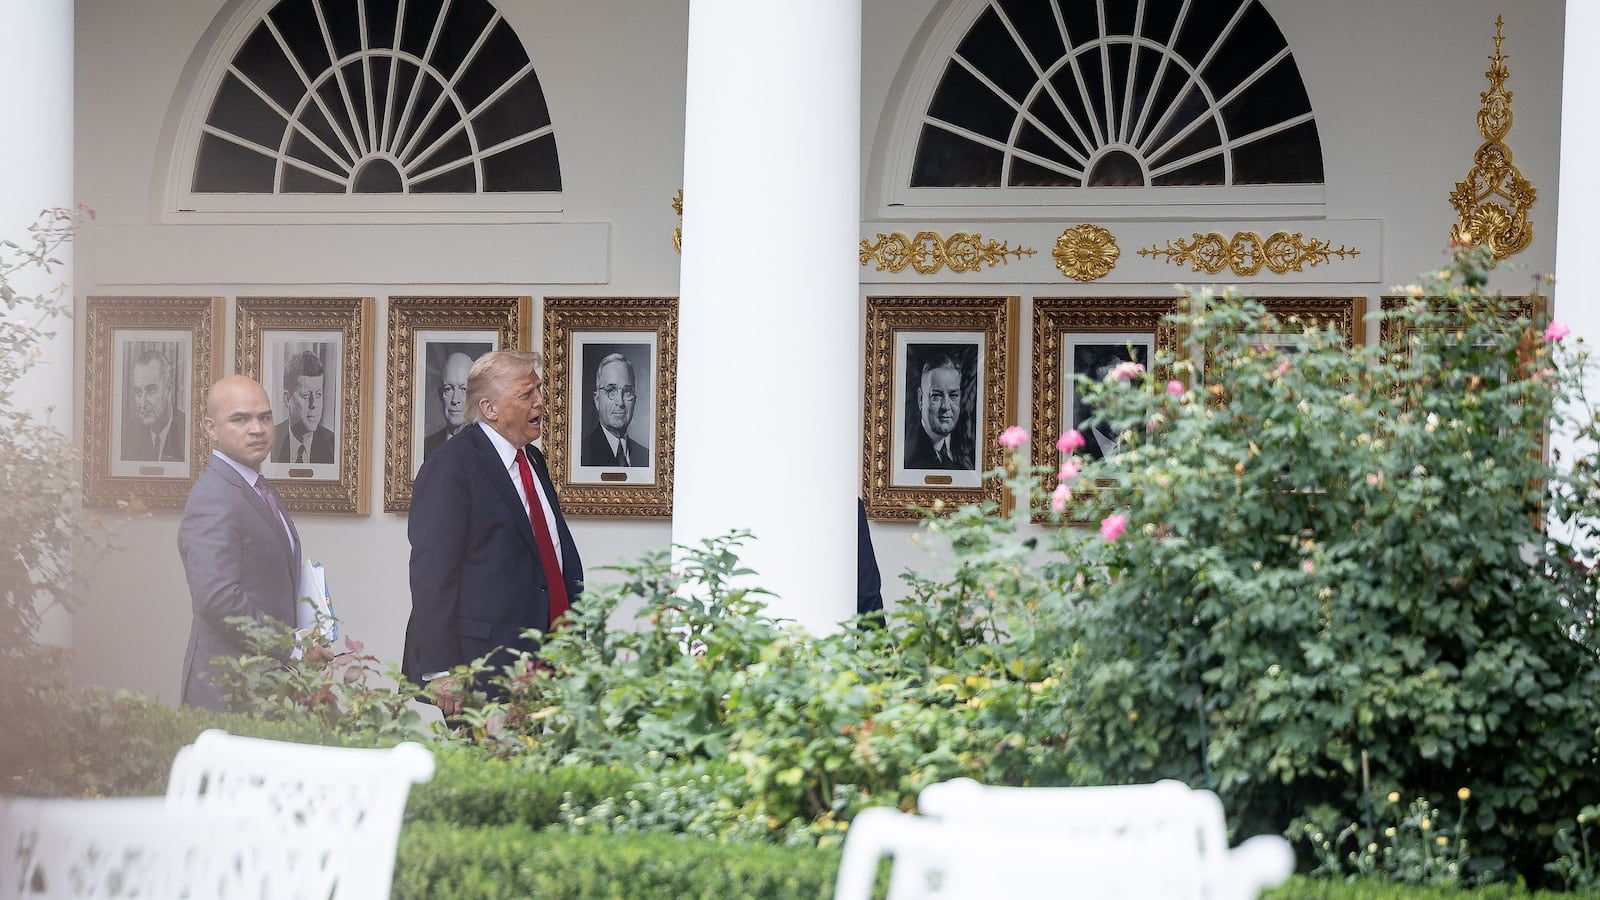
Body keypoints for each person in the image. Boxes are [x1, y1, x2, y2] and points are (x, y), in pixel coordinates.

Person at [403, 349, 584, 717]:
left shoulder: (533, 460)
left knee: (534, 771)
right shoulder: (452, 467)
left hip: (538, 660)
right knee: (489, 772)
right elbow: (432, 575)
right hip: (480, 668)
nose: (540, 401)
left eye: (539, 390)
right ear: (489, 408)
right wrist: (442, 669)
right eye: (526, 394)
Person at [176, 375, 299, 711]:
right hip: (228, 691)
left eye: (265, 417)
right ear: (211, 428)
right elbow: (217, 599)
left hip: (261, 686)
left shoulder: (256, 486)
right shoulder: (214, 497)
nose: (257, 428)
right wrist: (292, 646)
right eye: (240, 419)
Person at [903, 352, 973, 469]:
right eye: (936, 396)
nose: (946, 406)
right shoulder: (907, 458)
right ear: (921, 399)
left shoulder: (967, 452)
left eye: (953, 395)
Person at [579, 352, 649, 467]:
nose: (620, 402)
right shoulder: (580, 456)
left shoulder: (646, 458)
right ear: (597, 400)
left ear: (634, 400)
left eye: (626, 391)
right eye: (611, 391)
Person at [122, 349, 186, 462]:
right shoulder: (130, 434)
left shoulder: (187, 431)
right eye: (138, 392)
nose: (142, 403)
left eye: (151, 390)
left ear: (168, 387)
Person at [272, 350, 336, 464]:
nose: (314, 404)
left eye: (318, 394)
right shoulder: (269, 442)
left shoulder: (334, 446)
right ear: (287, 399)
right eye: (306, 395)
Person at [422, 351, 473, 458]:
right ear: (440, 395)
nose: (455, 400)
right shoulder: (426, 446)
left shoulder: (487, 446)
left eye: (463, 389)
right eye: (448, 389)